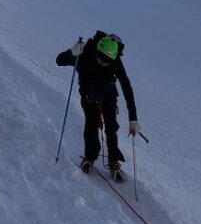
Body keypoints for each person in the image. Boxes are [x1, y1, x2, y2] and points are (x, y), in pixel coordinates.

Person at [56, 30, 139, 181]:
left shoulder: (115, 63)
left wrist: (133, 119)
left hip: (109, 96)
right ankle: (89, 157)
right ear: (97, 51)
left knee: (111, 127)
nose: (102, 62)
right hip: (89, 96)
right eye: (100, 58)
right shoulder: (84, 55)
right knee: (91, 126)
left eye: (107, 61)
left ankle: (114, 161)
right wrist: (71, 52)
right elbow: (59, 60)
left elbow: (126, 87)